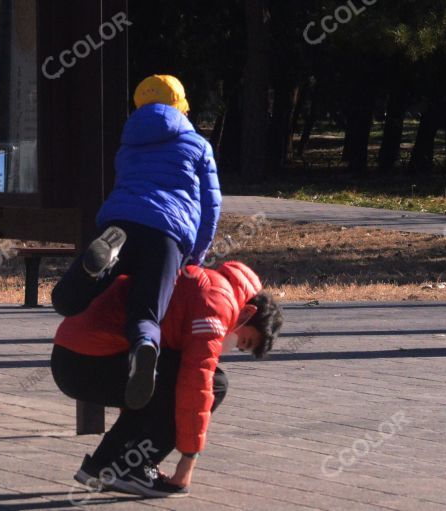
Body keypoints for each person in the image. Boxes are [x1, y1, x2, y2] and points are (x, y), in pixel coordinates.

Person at [52, 74, 222, 410]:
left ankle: (87, 272)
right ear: (182, 108)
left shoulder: (129, 142)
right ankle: (145, 345)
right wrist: (195, 257)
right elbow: (211, 207)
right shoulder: (198, 145)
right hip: (167, 235)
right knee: (145, 312)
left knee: (70, 301)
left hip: (121, 223)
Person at [51, 262, 284, 497]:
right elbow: (197, 388)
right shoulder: (218, 302)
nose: (234, 346)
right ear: (248, 313)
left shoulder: (208, 281)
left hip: (71, 358)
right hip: (89, 362)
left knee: (164, 376)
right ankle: (133, 466)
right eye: (244, 341)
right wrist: (187, 464)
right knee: (215, 383)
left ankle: (103, 465)